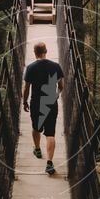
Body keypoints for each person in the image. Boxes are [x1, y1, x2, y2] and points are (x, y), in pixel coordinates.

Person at [23, 42, 64, 175]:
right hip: (51, 103)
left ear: (35, 53)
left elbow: (26, 88)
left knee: (36, 128)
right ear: (46, 51)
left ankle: (37, 148)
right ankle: (50, 163)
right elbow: (61, 86)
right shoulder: (56, 66)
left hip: (36, 103)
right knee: (50, 134)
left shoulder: (30, 67)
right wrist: (55, 96)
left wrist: (24, 101)